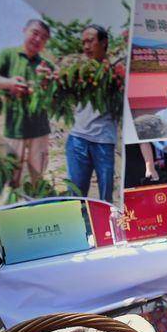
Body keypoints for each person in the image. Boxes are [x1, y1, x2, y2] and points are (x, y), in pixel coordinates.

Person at [0, 18, 56, 185]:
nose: (38, 39)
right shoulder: (9, 55)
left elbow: (54, 98)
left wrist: (48, 83)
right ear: (25, 31)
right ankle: (16, 204)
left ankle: (38, 201)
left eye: (44, 37)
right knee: (13, 175)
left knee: (38, 174)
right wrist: (9, 83)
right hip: (15, 128)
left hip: (40, 129)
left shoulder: (46, 65)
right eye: (35, 33)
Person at [66, 25, 120, 201]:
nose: (86, 46)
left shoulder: (115, 72)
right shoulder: (78, 70)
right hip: (77, 139)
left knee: (105, 197)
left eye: (90, 41)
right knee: (76, 195)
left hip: (103, 141)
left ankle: (105, 227)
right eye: (83, 42)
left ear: (104, 42)